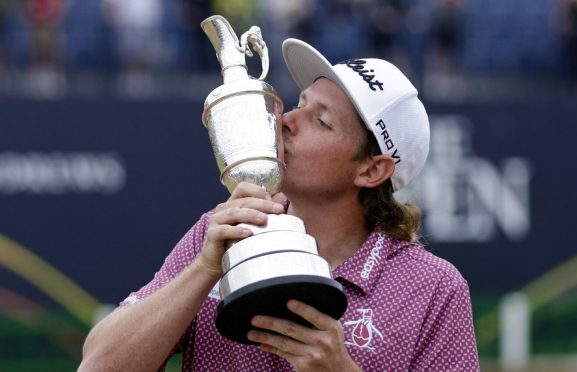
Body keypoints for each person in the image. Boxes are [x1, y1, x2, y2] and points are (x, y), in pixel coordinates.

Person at [79, 38, 479, 371]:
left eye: (321, 121)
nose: (287, 119)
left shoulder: (433, 288)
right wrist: (204, 269)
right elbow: (98, 365)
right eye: (300, 103)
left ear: (372, 170)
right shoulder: (220, 232)